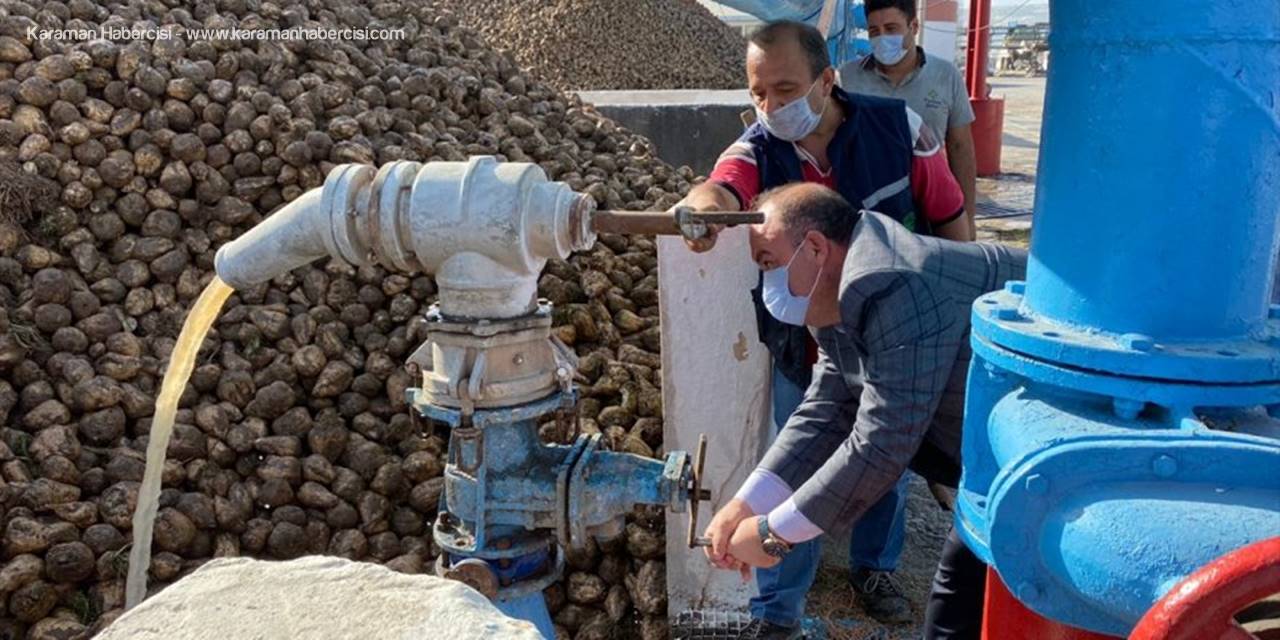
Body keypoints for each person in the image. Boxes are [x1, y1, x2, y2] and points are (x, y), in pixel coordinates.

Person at [675, 20, 969, 637]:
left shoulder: (899, 131)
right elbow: (720, 188)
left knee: (890, 464)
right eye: (758, 93)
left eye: (785, 89)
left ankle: (874, 569)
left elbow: (948, 216)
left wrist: (771, 535)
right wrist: (747, 506)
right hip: (823, 329)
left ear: (826, 79)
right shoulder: (759, 147)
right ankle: (777, 613)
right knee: (807, 436)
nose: (770, 107)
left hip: (910, 337)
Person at [702, 182, 1027, 640]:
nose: (767, 281)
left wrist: (775, 535)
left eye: (768, 263)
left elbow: (882, 441)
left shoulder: (893, 281)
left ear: (814, 246)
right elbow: (827, 409)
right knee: (955, 604)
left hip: (1039, 456)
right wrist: (746, 503)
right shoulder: (832, 287)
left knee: (974, 606)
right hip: (992, 468)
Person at [839, 0, 979, 239]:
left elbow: (960, 147)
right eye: (874, 31)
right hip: (870, 206)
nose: (882, 38)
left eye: (891, 28)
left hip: (933, 202)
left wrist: (967, 216)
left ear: (913, 26)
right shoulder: (847, 78)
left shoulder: (946, 75)